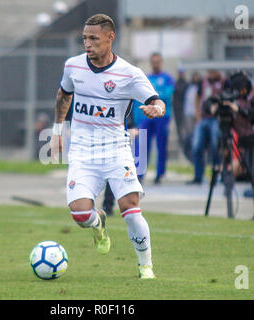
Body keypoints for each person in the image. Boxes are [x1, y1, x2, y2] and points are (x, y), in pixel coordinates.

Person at [50, 14, 165, 279]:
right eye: (84, 39)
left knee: (130, 206)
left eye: (93, 39)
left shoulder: (129, 74)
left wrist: (156, 109)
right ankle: (97, 221)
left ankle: (145, 266)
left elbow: (157, 100)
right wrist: (57, 129)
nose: (87, 44)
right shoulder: (73, 66)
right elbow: (63, 95)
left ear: (110, 38)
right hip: (82, 151)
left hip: (115, 149)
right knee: (80, 215)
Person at [217, 71, 254, 222]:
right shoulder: (236, 98)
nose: (237, 93)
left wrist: (238, 109)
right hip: (246, 142)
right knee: (251, 177)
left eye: (238, 89)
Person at [134, 53, 174, 184]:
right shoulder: (147, 78)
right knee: (142, 143)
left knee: (161, 144)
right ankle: (139, 173)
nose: (155, 64)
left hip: (162, 116)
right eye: (153, 62)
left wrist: (153, 96)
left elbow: (166, 95)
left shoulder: (167, 78)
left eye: (157, 62)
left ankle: (160, 173)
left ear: (161, 62)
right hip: (147, 116)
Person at [188, 70, 224, 184]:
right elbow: (197, 97)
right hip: (204, 118)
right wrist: (197, 114)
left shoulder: (224, 82)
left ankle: (216, 175)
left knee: (215, 146)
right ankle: (198, 176)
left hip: (216, 118)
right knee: (197, 146)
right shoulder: (203, 82)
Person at [172, 67, 188, 144]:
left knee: (185, 129)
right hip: (177, 109)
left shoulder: (186, 84)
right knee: (179, 129)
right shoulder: (176, 83)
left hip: (184, 109)